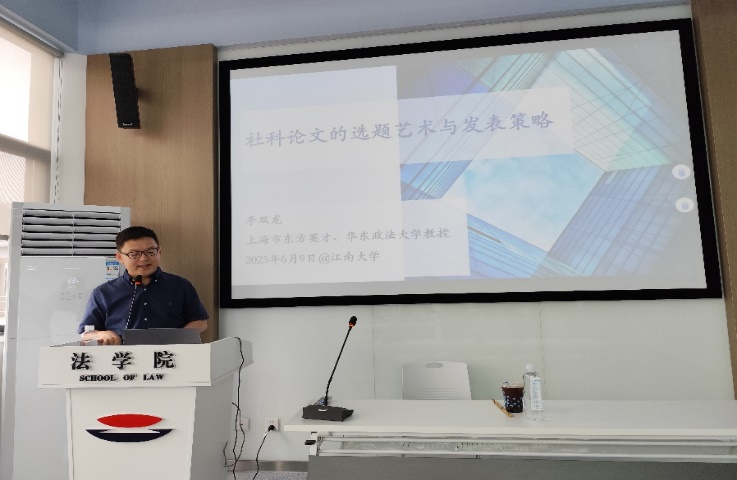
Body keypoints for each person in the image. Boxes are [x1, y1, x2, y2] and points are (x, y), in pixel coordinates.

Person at [77, 226, 208, 345]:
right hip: (122, 359)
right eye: (134, 254)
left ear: (159, 251)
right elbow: (86, 333)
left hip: (170, 357)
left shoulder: (180, 285)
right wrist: (101, 334)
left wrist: (178, 338)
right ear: (120, 257)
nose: (144, 259)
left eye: (150, 251)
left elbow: (201, 322)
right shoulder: (103, 292)